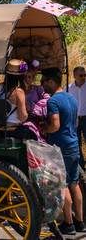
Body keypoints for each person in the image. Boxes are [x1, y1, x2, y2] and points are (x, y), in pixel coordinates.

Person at [40, 67, 86, 235]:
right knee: (74, 184)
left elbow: (55, 126)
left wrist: (43, 130)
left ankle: (68, 224)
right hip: (74, 146)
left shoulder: (52, 101)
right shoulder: (72, 98)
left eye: (43, 81)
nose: (42, 85)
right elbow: (75, 124)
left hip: (62, 147)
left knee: (64, 186)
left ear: (51, 81)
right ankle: (80, 222)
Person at [0, 60, 38, 139]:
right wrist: (26, 108)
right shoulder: (19, 92)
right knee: (33, 136)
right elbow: (22, 118)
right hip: (11, 130)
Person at [22, 59, 50, 142]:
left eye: (29, 77)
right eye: (24, 77)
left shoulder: (37, 89)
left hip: (36, 122)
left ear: (33, 78)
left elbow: (48, 100)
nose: (27, 79)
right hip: (21, 121)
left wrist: (31, 105)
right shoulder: (17, 91)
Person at [64, 66, 86, 169]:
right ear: (74, 76)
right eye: (81, 75)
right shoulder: (67, 89)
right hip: (74, 120)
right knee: (76, 145)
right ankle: (81, 167)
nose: (83, 77)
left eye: (84, 75)